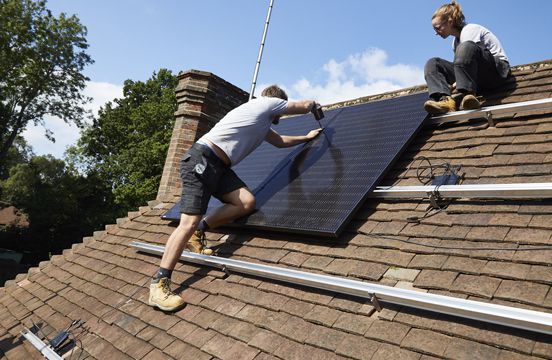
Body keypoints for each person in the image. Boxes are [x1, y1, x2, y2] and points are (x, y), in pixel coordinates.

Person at [149, 85, 323, 311]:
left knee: (246, 202)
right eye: (280, 109)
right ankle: (159, 284)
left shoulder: (261, 124)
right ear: (275, 103)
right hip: (202, 160)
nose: (280, 114)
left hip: (219, 167)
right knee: (187, 222)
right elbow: (303, 106)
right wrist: (314, 105)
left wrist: (306, 137)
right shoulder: (264, 104)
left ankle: (200, 231)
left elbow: (280, 142)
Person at [423, 1, 510, 115]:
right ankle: (445, 100)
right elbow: (461, 66)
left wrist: (453, 86)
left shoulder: (470, 30)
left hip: (497, 73)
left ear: (450, 22)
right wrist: (447, 87)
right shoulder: (455, 42)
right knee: (433, 63)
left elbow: (468, 60)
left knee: (466, 47)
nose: (436, 33)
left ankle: (469, 95)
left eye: (438, 28)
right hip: (478, 79)